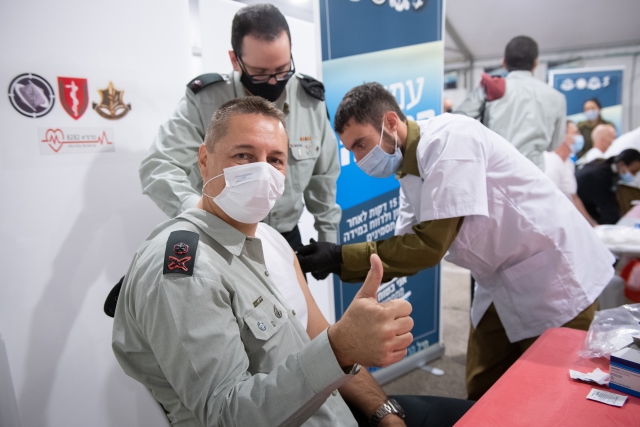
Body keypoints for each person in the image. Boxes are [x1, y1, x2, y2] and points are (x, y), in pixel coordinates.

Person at [112, 97, 473, 427]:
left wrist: (385, 413)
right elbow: (227, 416)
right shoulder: (187, 272)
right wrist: (340, 348)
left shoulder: (271, 241)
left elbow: (319, 337)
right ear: (204, 161)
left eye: (275, 160)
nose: (262, 172)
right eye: (243, 155)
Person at [297, 83, 614, 400]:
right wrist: (338, 263)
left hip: (554, 272)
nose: (359, 158)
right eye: (352, 150)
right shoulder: (409, 170)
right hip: (499, 278)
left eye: (361, 144)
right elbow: (403, 248)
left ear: (390, 122)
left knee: (555, 392)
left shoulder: (449, 140)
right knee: (483, 385)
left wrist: (340, 256)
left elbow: (426, 248)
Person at [139, 3, 340, 249]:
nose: (274, 81)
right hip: (221, 236)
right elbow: (158, 165)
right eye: (260, 73)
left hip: (286, 239)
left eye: (282, 69)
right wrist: (199, 212)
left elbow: (323, 178)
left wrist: (329, 241)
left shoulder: (309, 100)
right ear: (235, 60)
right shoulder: (204, 100)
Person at [454, 36, 566, 171]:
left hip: (495, 172)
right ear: (536, 63)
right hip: (534, 173)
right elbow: (554, 145)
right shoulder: (556, 97)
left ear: (503, 62)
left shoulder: (491, 87)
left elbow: (457, 121)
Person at [543, 121, 597, 226]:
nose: (580, 137)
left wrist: (591, 224)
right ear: (562, 137)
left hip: (569, 221)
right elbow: (548, 200)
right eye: (576, 133)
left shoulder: (569, 163)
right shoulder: (551, 162)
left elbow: (573, 197)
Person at [576, 149, 640, 225]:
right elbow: (608, 209)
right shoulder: (600, 176)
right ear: (621, 165)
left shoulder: (603, 167)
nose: (634, 175)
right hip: (580, 211)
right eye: (633, 171)